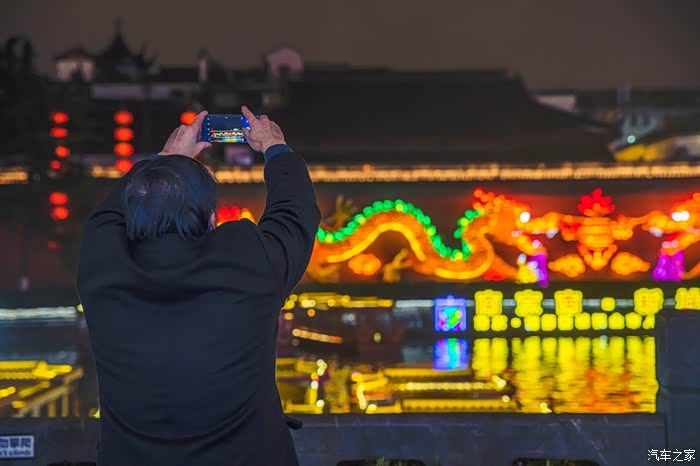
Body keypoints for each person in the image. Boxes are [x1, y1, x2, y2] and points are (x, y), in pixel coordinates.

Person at [76, 107, 321, 466]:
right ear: (211, 219)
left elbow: (105, 218)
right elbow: (295, 214)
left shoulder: (104, 269)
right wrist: (275, 147)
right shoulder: (247, 263)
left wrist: (166, 160)